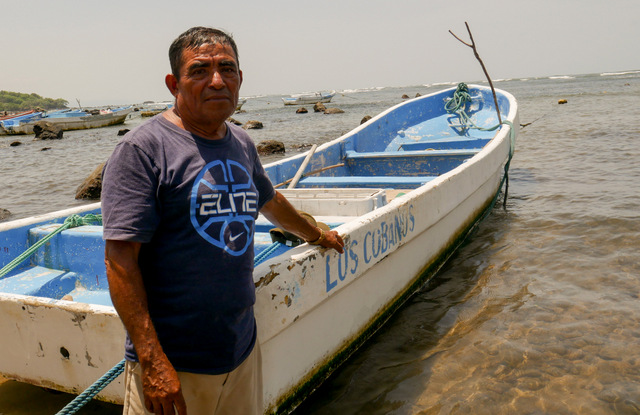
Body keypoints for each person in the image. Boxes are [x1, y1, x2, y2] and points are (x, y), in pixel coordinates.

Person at [102, 26, 344, 415]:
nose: (217, 80)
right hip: (176, 366)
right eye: (200, 70)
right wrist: (152, 362)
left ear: (240, 79)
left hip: (240, 351)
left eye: (227, 69)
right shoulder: (142, 150)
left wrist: (316, 234)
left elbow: (270, 201)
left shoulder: (241, 141)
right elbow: (119, 260)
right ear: (173, 84)